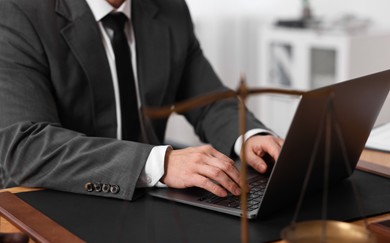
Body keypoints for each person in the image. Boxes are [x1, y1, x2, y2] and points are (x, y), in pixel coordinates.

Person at [0, 0, 283, 200]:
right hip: (48, 199)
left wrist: (249, 136)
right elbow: (26, 146)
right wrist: (159, 163)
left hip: (146, 199)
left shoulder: (170, 9)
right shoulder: (18, 12)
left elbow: (208, 100)